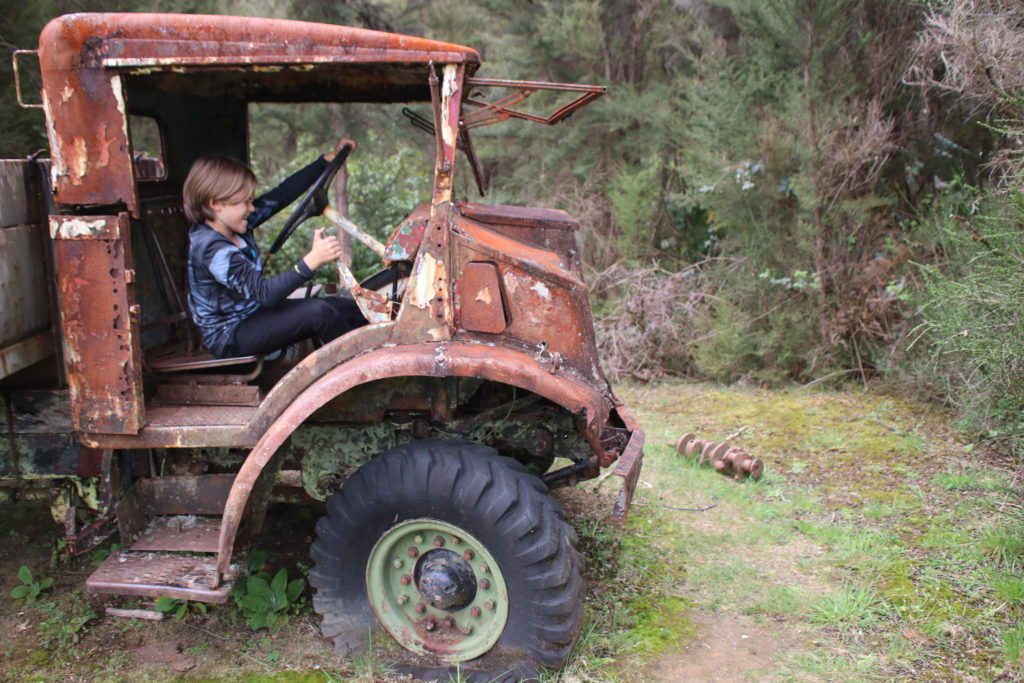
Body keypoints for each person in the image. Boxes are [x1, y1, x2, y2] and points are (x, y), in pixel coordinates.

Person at [184, 138, 367, 359]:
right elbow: (265, 294)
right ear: (216, 203)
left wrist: (326, 161)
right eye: (245, 202)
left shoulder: (236, 222)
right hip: (229, 335)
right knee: (319, 313)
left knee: (342, 306)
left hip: (253, 315)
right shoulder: (212, 250)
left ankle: (383, 351)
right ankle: (362, 372)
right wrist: (312, 261)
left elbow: (282, 195)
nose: (252, 208)